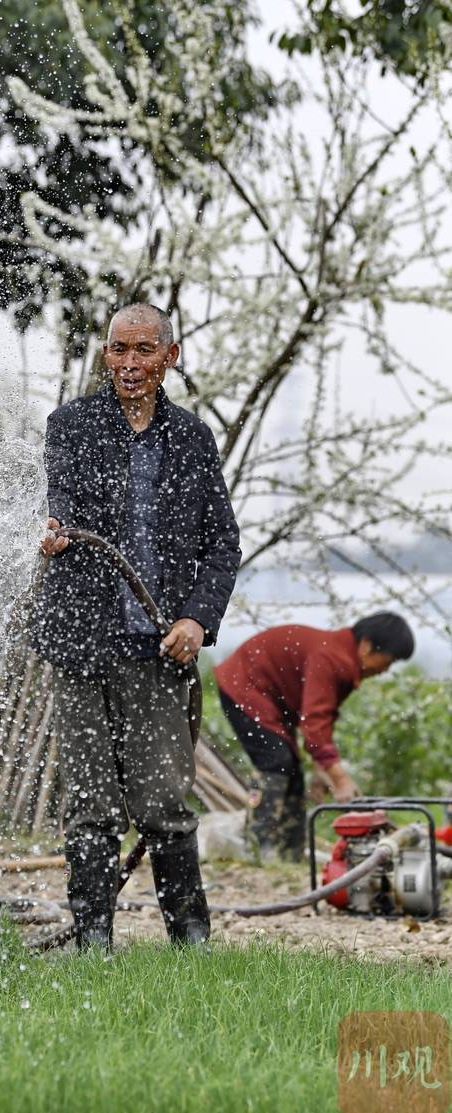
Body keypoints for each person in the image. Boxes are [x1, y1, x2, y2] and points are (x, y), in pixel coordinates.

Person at [32, 302, 241, 950]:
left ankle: (193, 941)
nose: (128, 363)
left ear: (168, 357)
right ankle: (94, 944)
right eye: (118, 349)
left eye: (143, 350)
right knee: (90, 805)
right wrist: (53, 536)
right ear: (106, 354)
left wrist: (197, 620)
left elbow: (223, 544)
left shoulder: (193, 439)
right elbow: (62, 505)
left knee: (163, 805)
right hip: (81, 641)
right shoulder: (70, 425)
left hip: (157, 649)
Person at [214, 613, 415, 862]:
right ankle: (258, 848)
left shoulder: (343, 659)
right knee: (276, 763)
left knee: (294, 775)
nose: (385, 669)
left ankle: (291, 854)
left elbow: (322, 719)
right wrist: (339, 778)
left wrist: (323, 772)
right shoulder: (331, 657)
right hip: (244, 687)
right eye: (389, 660)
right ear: (366, 644)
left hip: (272, 702)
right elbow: (315, 724)